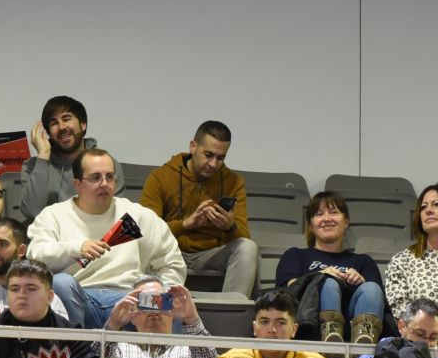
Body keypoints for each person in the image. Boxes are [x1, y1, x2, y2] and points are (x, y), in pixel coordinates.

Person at [27, 148, 184, 329]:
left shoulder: (138, 215)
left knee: (170, 302)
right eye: (95, 178)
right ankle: (77, 351)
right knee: (61, 282)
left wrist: (161, 292)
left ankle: (168, 357)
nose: (104, 184)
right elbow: (35, 257)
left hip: (129, 298)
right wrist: (76, 248)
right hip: (79, 297)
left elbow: (172, 262)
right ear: (77, 184)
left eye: (110, 177)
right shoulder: (54, 215)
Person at [139, 121, 259, 297]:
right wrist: (186, 224)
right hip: (171, 251)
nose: (213, 164)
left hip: (210, 255)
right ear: (193, 146)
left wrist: (229, 226)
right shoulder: (160, 177)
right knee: (140, 247)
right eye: (208, 155)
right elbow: (147, 232)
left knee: (248, 248)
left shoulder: (234, 182)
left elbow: (243, 236)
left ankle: (232, 313)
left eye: (220, 158)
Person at [384, 184, 438, 319]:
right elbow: (401, 311)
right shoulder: (402, 261)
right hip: (417, 336)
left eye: (437, 204)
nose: (428, 210)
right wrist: (436, 314)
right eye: (423, 207)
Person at [18, 95, 96, 219]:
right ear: (48, 133)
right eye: (54, 123)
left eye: (66, 119)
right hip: (46, 236)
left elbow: (108, 213)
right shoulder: (32, 166)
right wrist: (43, 156)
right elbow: (32, 212)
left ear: (83, 124)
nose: (61, 127)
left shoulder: (104, 164)